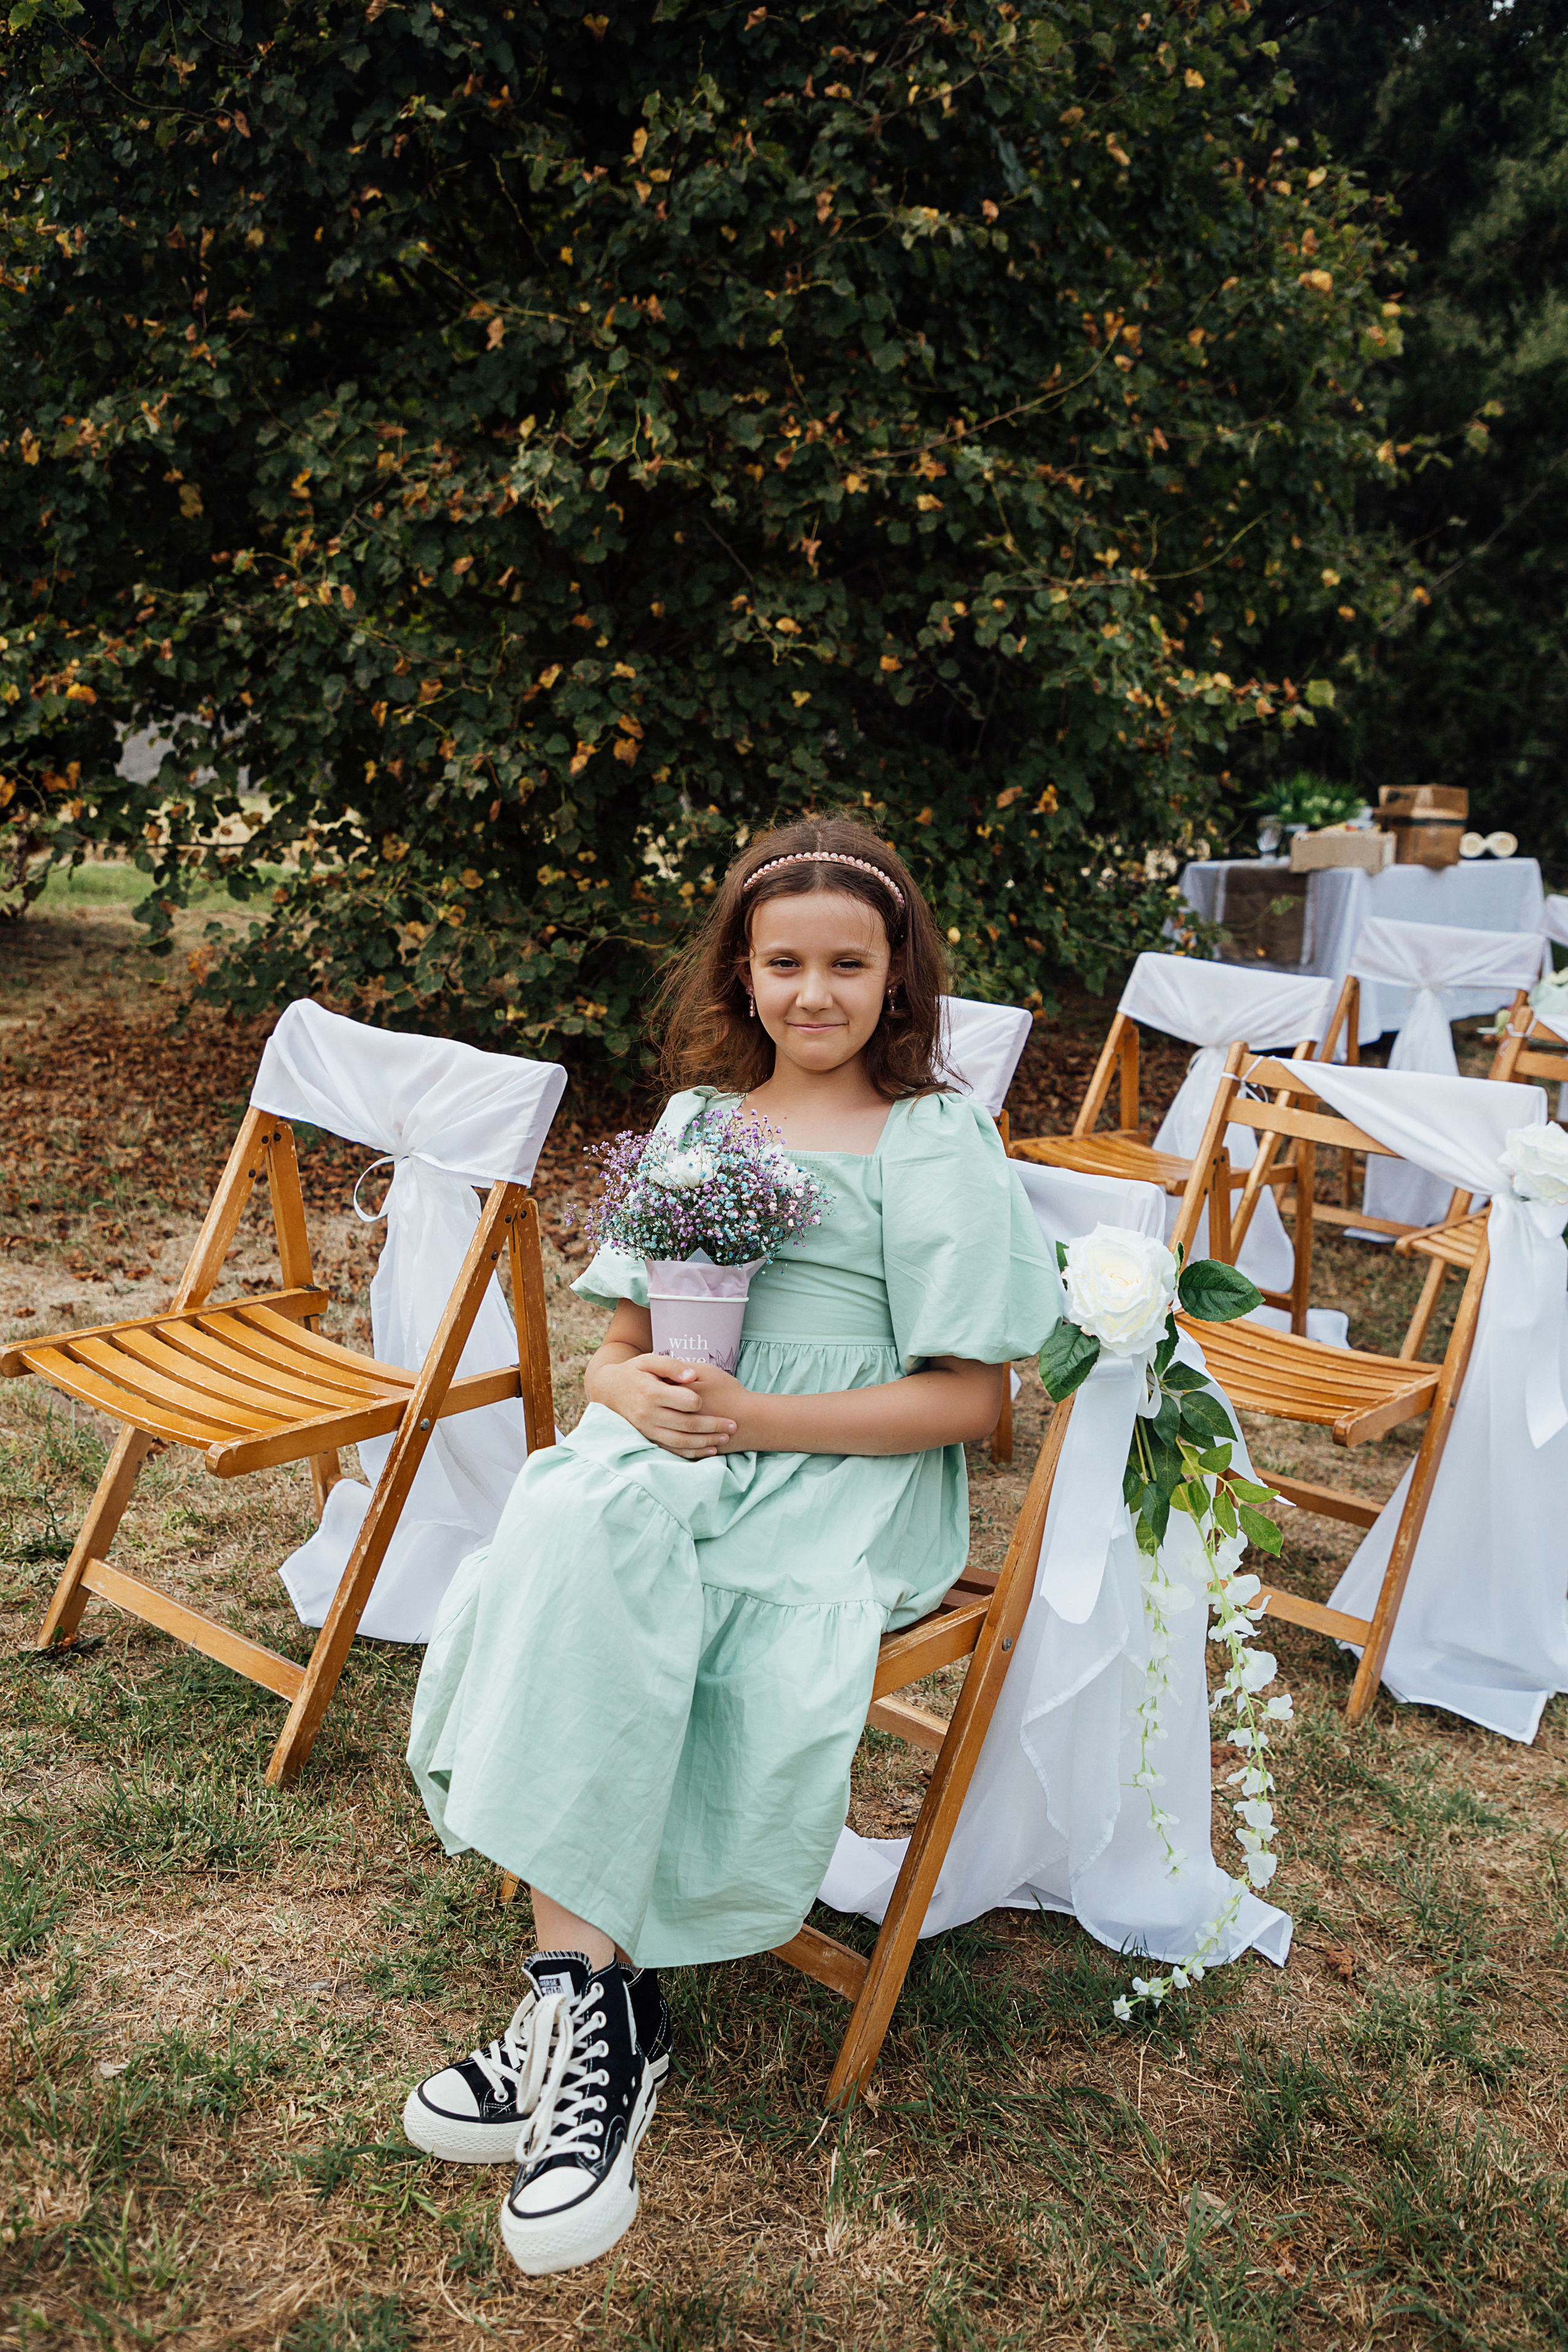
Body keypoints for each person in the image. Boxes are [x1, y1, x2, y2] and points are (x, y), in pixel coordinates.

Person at [400, 813, 1063, 2277]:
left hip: (843, 1467)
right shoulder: (703, 1127)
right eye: (783, 963)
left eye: (846, 964)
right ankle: (597, 2012)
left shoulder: (929, 1135)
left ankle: (579, 2027)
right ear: (741, 974)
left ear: (897, 980)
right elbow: (619, 1350)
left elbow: (970, 1400)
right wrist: (622, 1386)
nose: (812, 993)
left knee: (700, 1596)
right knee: (570, 1522)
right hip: (688, 1438)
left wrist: (758, 1413)